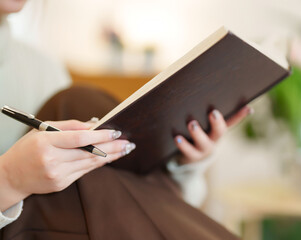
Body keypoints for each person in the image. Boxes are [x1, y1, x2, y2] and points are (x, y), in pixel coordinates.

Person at [0, 0, 251, 237]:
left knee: (78, 104)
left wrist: (185, 163)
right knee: (74, 104)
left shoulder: (45, 69)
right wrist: (10, 179)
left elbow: (149, 201)